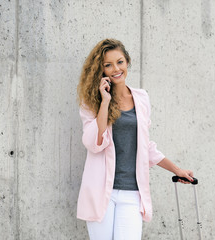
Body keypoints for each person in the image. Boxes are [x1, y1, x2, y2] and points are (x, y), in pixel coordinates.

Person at [76, 38, 194, 240]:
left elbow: (146, 146)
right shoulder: (92, 102)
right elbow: (93, 143)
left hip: (132, 192)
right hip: (101, 191)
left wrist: (177, 170)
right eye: (108, 65)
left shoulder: (141, 98)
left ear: (127, 61)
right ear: (101, 70)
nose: (116, 69)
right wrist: (105, 102)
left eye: (120, 62)